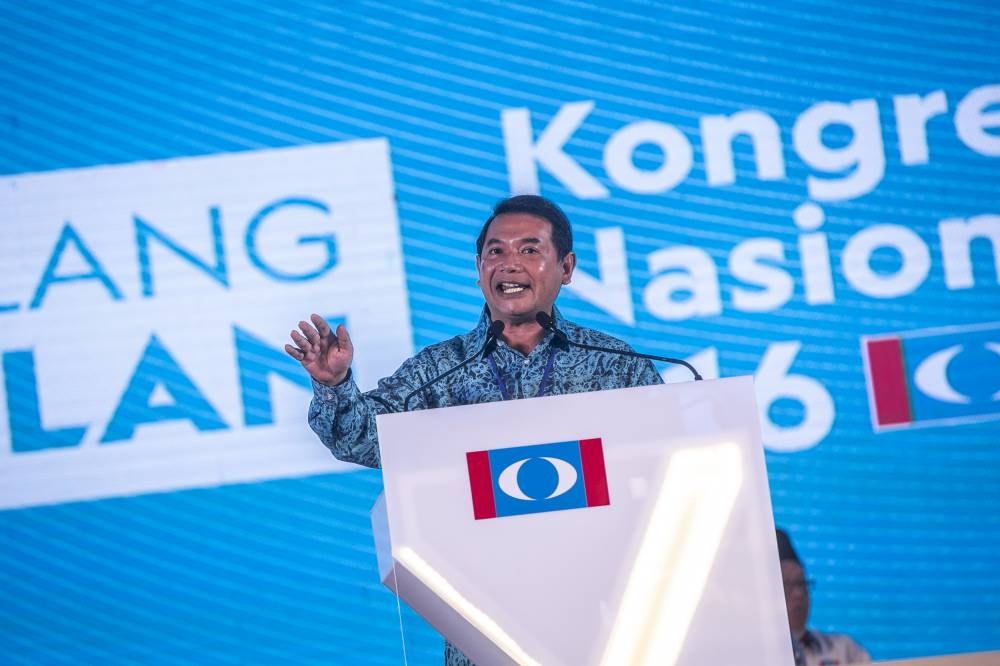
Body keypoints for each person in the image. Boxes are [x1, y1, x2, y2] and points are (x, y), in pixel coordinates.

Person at [285, 194, 663, 665]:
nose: (510, 264)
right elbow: (360, 438)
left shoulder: (615, 365)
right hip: (488, 627)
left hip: (611, 622)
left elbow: (663, 473)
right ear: (478, 267)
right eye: (496, 252)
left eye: (529, 250)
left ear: (566, 267)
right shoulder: (439, 370)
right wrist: (335, 385)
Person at [777, 528, 871, 666]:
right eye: (787, 586)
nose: (798, 594)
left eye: (802, 584)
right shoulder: (755, 654)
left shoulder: (845, 649)